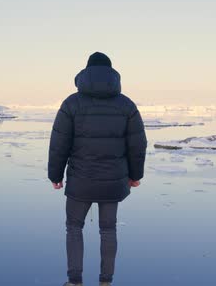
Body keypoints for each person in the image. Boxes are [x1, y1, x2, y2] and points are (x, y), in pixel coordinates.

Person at [48, 52, 147, 286]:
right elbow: (137, 144)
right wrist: (135, 175)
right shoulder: (126, 105)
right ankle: (106, 281)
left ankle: (74, 281)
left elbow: (59, 143)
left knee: (73, 228)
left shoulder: (71, 103)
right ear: (113, 74)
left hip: (80, 180)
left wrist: (55, 175)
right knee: (108, 230)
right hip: (113, 181)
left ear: (85, 73)